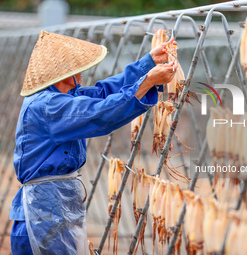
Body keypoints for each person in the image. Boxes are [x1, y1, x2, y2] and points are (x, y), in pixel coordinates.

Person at [10, 30, 178, 255]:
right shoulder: (48, 106)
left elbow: (102, 93)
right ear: (64, 73)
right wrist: (147, 82)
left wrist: (147, 63)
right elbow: (100, 113)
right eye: (77, 70)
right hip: (41, 215)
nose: (81, 75)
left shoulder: (61, 98)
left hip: (52, 207)